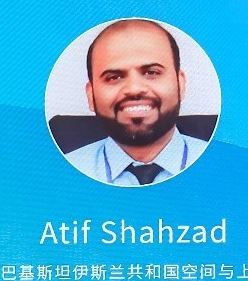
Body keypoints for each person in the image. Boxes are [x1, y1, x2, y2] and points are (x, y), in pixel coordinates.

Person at [64, 19, 208, 186]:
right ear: (91, 95)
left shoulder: (224, 165)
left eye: (152, 72)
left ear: (180, 84)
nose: (134, 89)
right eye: (114, 77)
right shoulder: (60, 174)